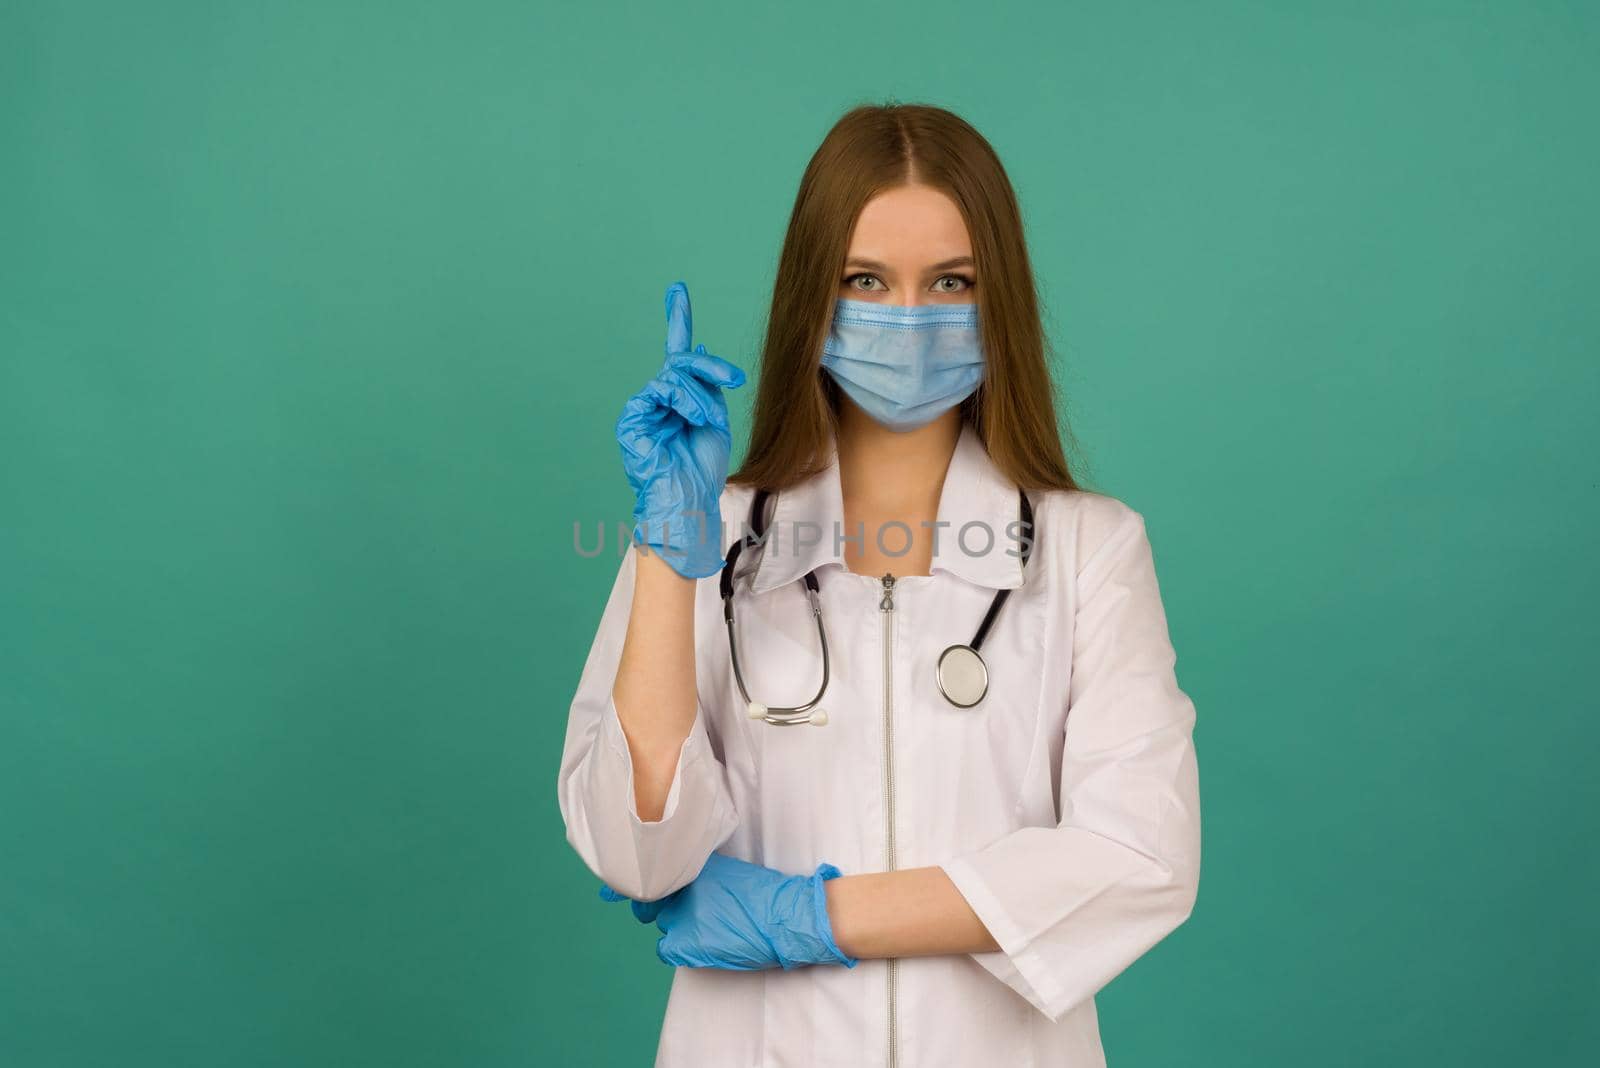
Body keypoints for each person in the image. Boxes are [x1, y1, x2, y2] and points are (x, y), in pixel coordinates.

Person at [556, 102, 1201, 1067]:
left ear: (1001, 302)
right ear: (811, 297)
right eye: (866, 280)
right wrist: (665, 555)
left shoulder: (1088, 551)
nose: (909, 319)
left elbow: (1138, 857)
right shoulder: (708, 538)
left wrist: (816, 917)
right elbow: (638, 853)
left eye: (951, 282)